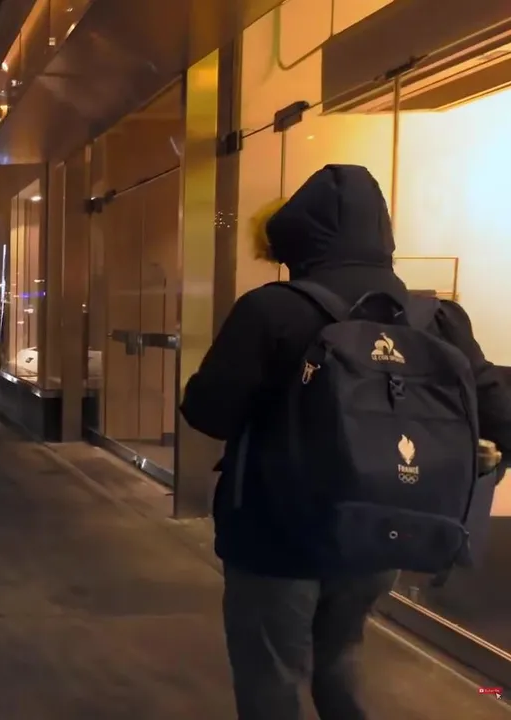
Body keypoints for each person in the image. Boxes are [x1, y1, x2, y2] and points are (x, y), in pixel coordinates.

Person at [181, 164, 511, 720]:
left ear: (296, 236)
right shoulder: (437, 320)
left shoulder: (271, 310)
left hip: (275, 535)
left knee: (274, 677)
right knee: (340, 657)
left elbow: (208, 413)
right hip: (380, 528)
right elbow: (501, 414)